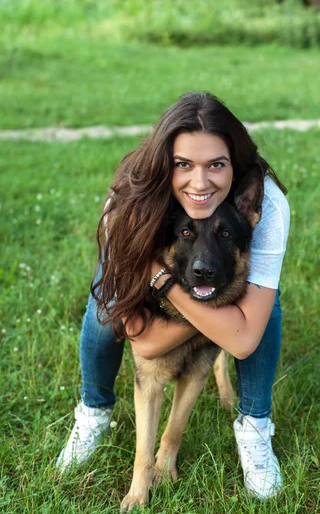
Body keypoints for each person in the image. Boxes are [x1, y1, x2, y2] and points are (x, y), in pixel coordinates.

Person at [56, 91, 290, 500]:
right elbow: (144, 344)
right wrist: (201, 306)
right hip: (147, 265)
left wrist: (179, 292)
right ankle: (94, 409)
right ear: (166, 168)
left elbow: (243, 337)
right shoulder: (129, 204)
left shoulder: (265, 207)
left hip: (195, 281)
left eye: (216, 164)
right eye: (184, 165)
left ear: (234, 164)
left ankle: (254, 426)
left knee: (264, 310)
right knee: (102, 310)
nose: (199, 183)